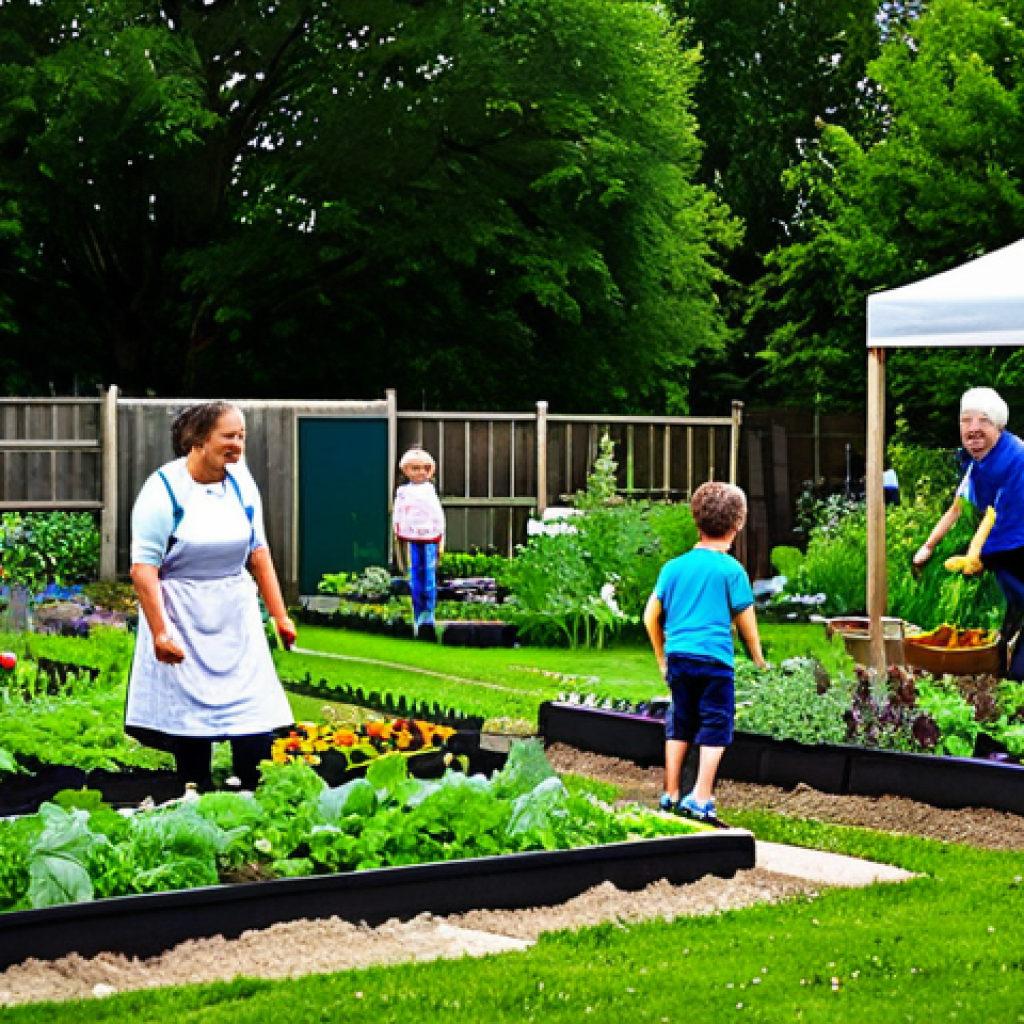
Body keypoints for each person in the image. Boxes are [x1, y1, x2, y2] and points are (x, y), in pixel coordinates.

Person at [125, 401, 297, 792]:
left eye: (241, 436)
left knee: (255, 716)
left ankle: (254, 793)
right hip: (181, 613)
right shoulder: (164, 489)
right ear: (198, 440)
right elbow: (143, 570)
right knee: (190, 722)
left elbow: (259, 553)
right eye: (228, 436)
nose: (237, 444)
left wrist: (280, 616)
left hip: (235, 613)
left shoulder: (241, 482)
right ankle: (194, 791)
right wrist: (160, 633)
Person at [643, 481, 766, 822]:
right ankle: (700, 796)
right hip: (714, 661)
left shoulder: (673, 568)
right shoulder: (732, 571)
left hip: (679, 658)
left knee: (680, 720)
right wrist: (758, 659)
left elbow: (649, 616)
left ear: (696, 521)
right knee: (716, 722)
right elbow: (747, 626)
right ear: (737, 524)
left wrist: (662, 657)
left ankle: (669, 794)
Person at [913, 386, 1024, 679]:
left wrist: (976, 555)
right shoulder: (979, 466)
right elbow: (957, 509)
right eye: (967, 428)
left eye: (981, 427)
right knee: (1010, 610)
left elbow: (995, 517)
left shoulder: (1015, 459)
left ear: (998, 426)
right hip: (1005, 550)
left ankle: (1014, 678)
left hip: (1017, 545)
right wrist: (929, 545)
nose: (973, 436)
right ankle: (1004, 675)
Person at [393, 447, 445, 639]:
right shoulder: (403, 492)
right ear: (406, 470)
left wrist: (440, 538)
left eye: (424, 468)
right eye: (415, 468)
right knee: (415, 576)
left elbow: (437, 515)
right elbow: (398, 513)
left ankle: (428, 616)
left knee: (429, 578)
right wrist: (398, 532)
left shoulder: (429, 492)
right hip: (411, 538)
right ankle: (418, 617)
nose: (420, 472)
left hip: (430, 538)